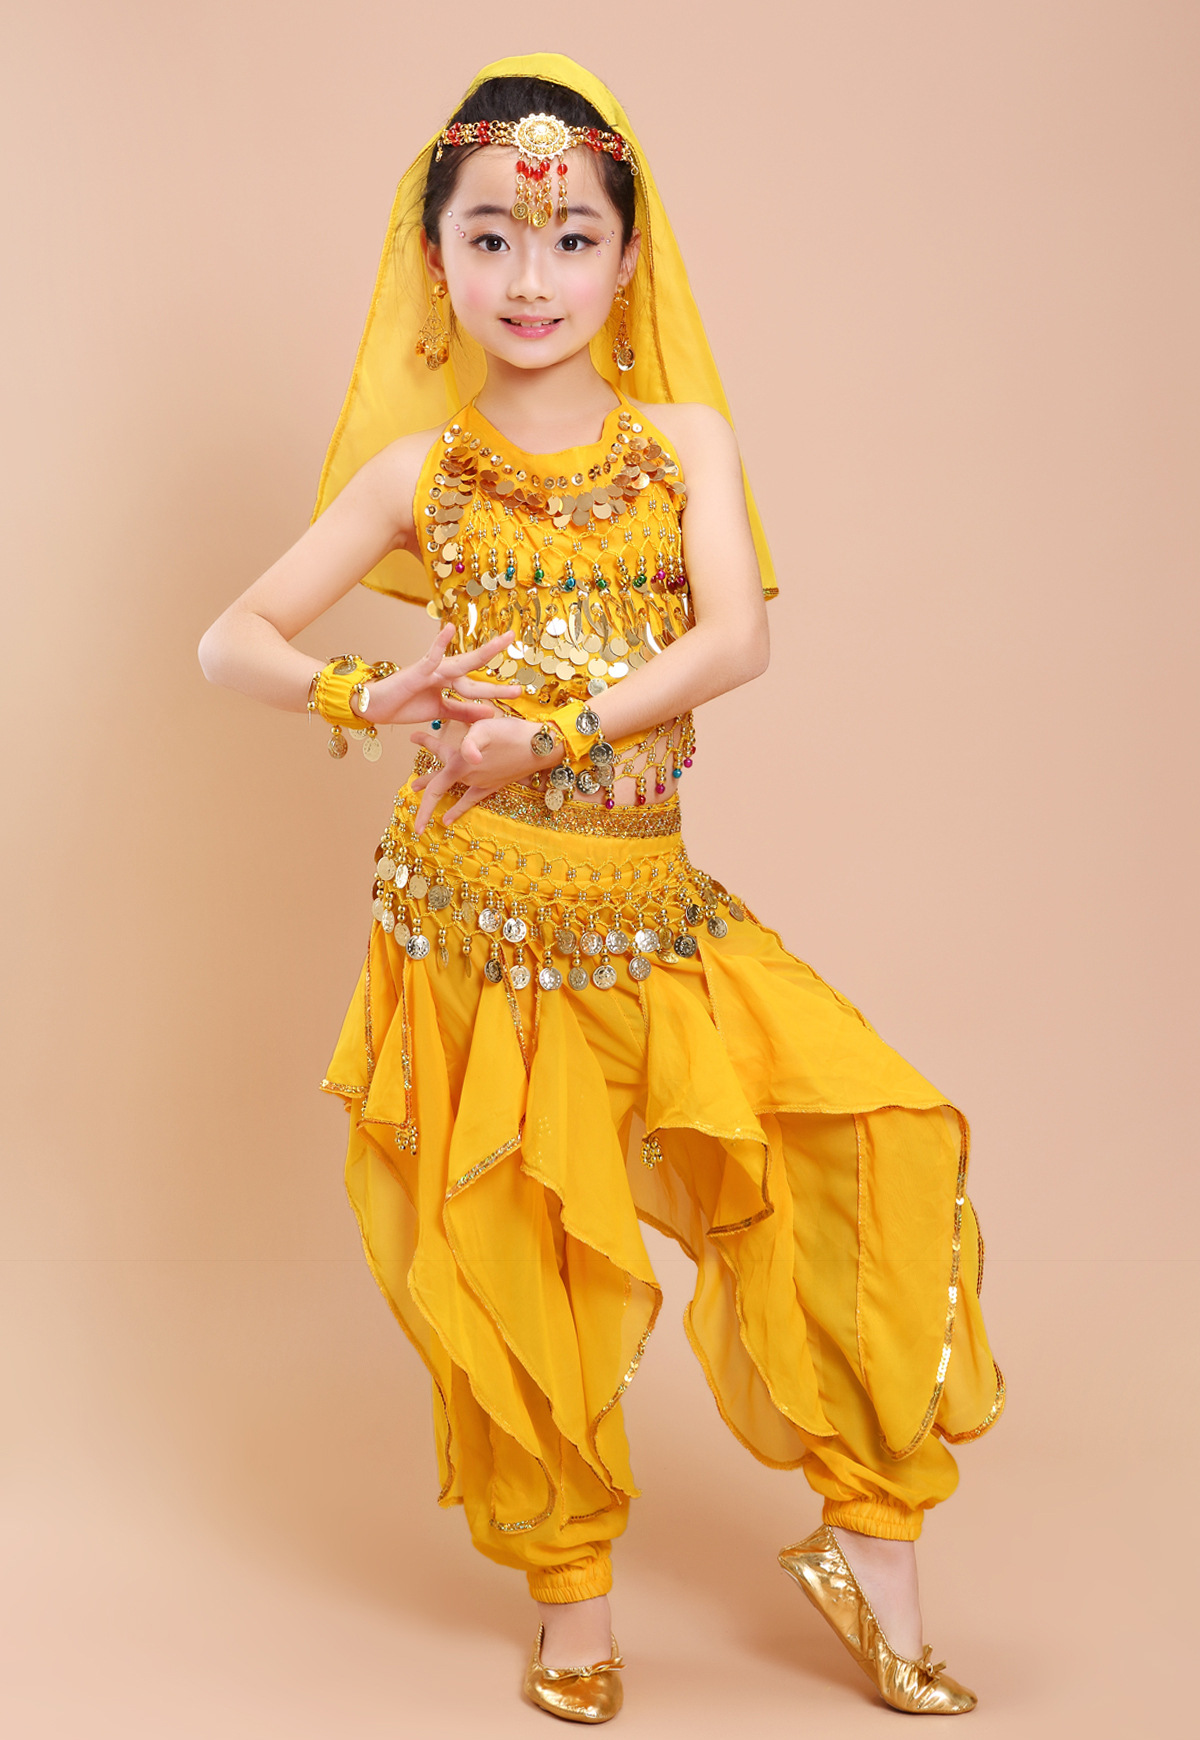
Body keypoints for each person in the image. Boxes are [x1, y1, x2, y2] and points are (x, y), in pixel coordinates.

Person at [199, 52, 1004, 1724]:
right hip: (471, 928)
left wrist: (552, 730)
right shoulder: (418, 474)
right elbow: (230, 640)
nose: (532, 278)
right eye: (491, 239)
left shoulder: (684, 441)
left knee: (860, 1144)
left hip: (648, 907)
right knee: (522, 1260)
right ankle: (572, 1603)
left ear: (631, 258)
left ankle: (874, 1550)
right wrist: (374, 693)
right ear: (436, 260)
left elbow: (737, 640)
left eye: (571, 241)